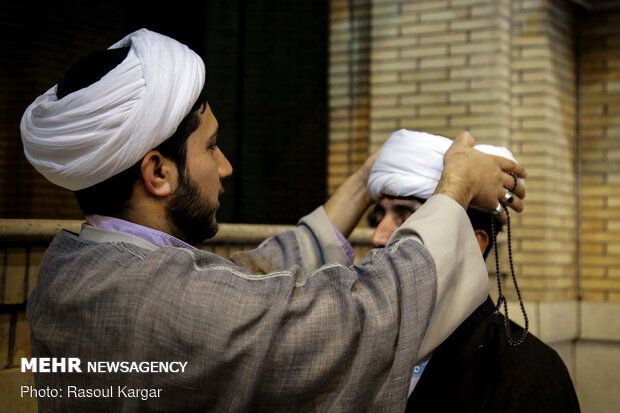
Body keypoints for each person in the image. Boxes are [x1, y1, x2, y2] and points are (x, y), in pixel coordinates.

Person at [20, 29, 526, 412]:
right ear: (158, 171)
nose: (226, 168)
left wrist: (371, 172)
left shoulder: (77, 271)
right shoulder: (152, 304)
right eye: (213, 147)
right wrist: (454, 188)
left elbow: (251, 276)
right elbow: (359, 320)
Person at [367, 129, 580, 412]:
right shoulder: (367, 344)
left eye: (405, 217)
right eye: (379, 216)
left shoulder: (528, 371)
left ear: (474, 243)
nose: (378, 237)